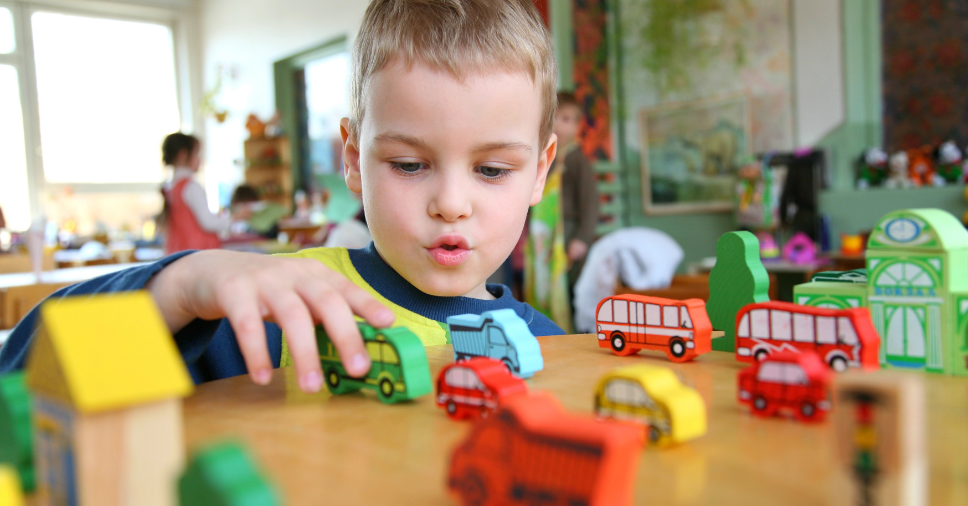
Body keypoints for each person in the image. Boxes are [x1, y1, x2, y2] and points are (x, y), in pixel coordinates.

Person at [0, 0, 562, 394]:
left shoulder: (556, 352)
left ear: (539, 173)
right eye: (409, 164)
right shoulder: (274, 310)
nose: (451, 202)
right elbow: (22, 378)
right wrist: (179, 287)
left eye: (491, 170)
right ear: (352, 159)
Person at [553, 92, 599, 297]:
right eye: (552, 117)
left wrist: (582, 238)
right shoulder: (544, 159)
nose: (557, 125)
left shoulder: (577, 160)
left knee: (570, 290)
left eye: (565, 119)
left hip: (570, 232)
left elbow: (591, 203)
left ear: (576, 126)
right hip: (545, 234)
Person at [159, 133, 231, 254]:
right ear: (183, 155)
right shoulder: (191, 186)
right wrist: (233, 219)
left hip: (182, 254)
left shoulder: (173, 187)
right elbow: (208, 223)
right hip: (199, 254)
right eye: (197, 153)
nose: (200, 159)